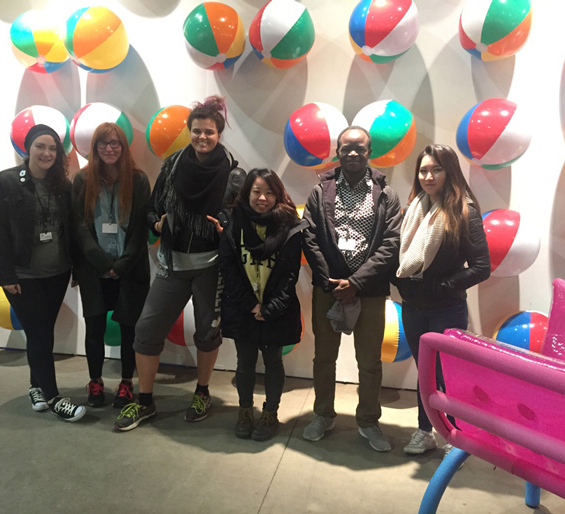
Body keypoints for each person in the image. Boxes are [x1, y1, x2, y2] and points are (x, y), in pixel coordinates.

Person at [115, 95, 245, 432]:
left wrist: (226, 225)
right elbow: (150, 209)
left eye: (210, 132)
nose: (203, 137)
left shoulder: (233, 173)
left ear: (219, 134)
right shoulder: (172, 166)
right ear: (190, 131)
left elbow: (241, 218)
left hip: (210, 267)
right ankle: (144, 402)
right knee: (145, 332)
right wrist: (157, 224)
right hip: (172, 265)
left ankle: (202, 392)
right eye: (197, 131)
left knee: (207, 334)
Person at [302, 125, 401, 452]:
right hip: (328, 288)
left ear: (370, 152)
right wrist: (333, 282)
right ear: (338, 152)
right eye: (347, 148)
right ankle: (323, 415)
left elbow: (391, 243)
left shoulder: (386, 193)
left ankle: (369, 421)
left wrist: (357, 282)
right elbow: (311, 238)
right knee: (323, 357)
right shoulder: (320, 191)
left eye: (360, 148)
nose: (353, 153)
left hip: (370, 290)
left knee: (370, 361)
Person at [394, 144, 490, 455]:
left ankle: (455, 436)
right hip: (414, 308)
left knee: (447, 374)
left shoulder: (465, 211)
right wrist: (403, 287)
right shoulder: (412, 212)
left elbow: (481, 267)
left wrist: (446, 286)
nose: (429, 176)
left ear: (449, 172)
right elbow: (400, 257)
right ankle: (425, 432)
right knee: (426, 373)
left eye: (436, 169)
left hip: (446, 308)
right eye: (423, 170)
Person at [0, 124, 85, 422]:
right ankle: (54, 397)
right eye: (41, 146)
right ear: (27, 149)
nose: (47, 153)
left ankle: (35, 386)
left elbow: (72, 231)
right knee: (40, 334)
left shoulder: (63, 186)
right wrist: (7, 275)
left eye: (53, 148)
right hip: (23, 275)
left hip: (56, 272)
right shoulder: (5, 183)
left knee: (41, 334)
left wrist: (75, 266)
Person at [218, 168, 307, 441]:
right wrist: (250, 306)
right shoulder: (233, 223)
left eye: (269, 192)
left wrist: (270, 308)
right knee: (244, 362)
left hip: (276, 310)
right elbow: (228, 269)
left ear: (278, 195)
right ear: (247, 193)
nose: (262, 198)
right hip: (242, 308)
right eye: (256, 191)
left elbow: (290, 274)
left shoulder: (290, 226)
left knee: (272, 361)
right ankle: (245, 411)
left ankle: (270, 414)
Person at [71, 122, 151, 409]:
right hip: (93, 268)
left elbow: (142, 227)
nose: (109, 148)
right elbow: (79, 228)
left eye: (115, 143)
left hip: (130, 269)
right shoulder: (82, 181)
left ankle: (126, 383)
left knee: (130, 328)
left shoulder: (138, 180)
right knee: (94, 327)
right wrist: (103, 262)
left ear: (123, 147)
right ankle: (95, 381)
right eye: (103, 144)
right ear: (94, 148)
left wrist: (122, 264)